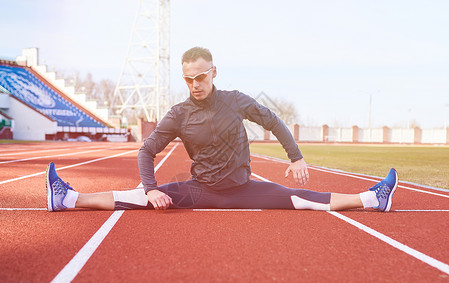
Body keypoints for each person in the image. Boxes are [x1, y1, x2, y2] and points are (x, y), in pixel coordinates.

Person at [46, 47, 398, 212]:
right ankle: (67, 198)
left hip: (244, 189)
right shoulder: (178, 114)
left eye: (201, 76)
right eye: (188, 78)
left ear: (214, 72)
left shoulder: (236, 101)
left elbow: (272, 120)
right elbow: (146, 150)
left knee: (305, 199)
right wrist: (152, 189)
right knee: (137, 197)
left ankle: (373, 199)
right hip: (201, 190)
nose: (195, 84)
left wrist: (297, 157)